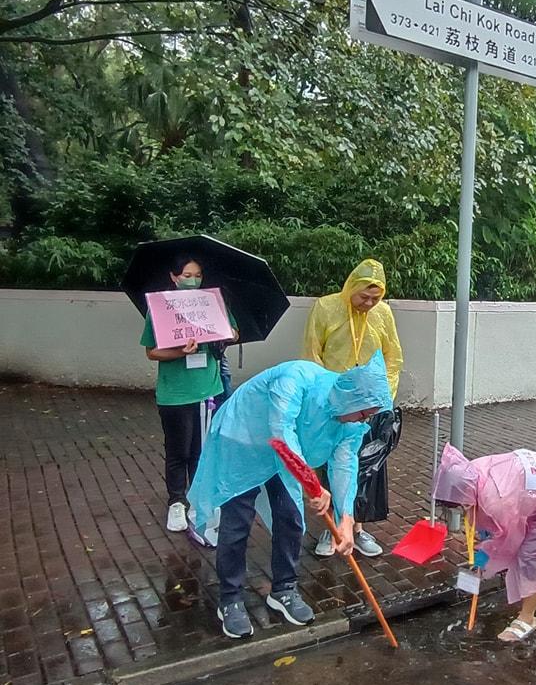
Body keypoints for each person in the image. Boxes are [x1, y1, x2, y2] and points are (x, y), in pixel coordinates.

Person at [186, 353, 392, 639]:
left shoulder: (351, 423)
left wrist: (345, 518)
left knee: (291, 516)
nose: (363, 420)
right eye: (363, 413)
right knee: (237, 522)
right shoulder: (295, 379)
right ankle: (230, 598)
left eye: (369, 415)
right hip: (244, 438)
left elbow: (345, 463)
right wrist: (312, 485)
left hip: (286, 456)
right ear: (350, 397)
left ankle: (284, 589)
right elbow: (282, 432)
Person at [433, 444, 536, 643]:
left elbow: (506, 542)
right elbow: (490, 532)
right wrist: (480, 562)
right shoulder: (473, 471)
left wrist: (482, 564)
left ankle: (528, 617)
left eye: (460, 506)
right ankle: (521, 594)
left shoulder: (496, 501)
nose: (461, 510)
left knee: (530, 557)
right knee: (521, 552)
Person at [303, 259, 403, 558]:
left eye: (375, 298)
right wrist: (324, 401)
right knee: (329, 465)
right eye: (364, 297)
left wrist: (382, 399)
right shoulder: (326, 308)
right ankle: (330, 527)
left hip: (369, 407)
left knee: (365, 467)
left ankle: (357, 528)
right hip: (335, 406)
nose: (369, 303)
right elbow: (312, 354)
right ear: (351, 288)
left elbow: (393, 356)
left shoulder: (383, 314)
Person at [141, 256, 237, 533]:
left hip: (209, 389)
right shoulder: (159, 309)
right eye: (186, 275)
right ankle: (176, 501)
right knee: (178, 450)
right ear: (174, 277)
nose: (193, 280)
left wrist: (226, 333)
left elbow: (233, 331)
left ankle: (198, 498)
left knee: (202, 449)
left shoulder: (212, 303)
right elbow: (151, 352)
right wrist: (179, 352)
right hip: (176, 394)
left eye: (197, 275)